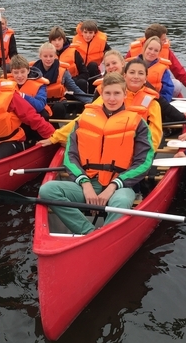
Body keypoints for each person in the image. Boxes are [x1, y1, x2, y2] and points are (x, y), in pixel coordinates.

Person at [38, 73, 155, 235]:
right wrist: (85, 185)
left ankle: (104, 237)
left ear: (125, 94)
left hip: (121, 184)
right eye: (107, 93)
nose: (112, 99)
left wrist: (113, 186)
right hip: (89, 182)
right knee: (47, 191)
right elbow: (70, 157)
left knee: (120, 202)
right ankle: (90, 233)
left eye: (117, 93)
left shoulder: (138, 123)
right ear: (101, 94)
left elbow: (144, 162)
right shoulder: (84, 119)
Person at [44, 56, 163, 151]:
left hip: (133, 149)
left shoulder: (152, 104)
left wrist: (144, 154)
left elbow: (155, 133)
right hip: (105, 145)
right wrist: (56, 137)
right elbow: (84, 118)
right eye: (132, 72)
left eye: (141, 73)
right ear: (125, 76)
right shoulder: (112, 96)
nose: (136, 77)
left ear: (146, 78)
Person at [127, 23, 186, 96]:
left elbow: (180, 73)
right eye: (163, 39)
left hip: (158, 92)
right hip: (135, 91)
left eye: (156, 50)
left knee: (176, 85)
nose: (166, 41)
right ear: (155, 39)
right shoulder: (133, 51)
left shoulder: (167, 52)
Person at [32, 42, 91, 118]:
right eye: (45, 56)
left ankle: (56, 126)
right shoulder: (33, 73)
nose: (48, 59)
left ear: (55, 56)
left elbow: (74, 89)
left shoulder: (63, 71)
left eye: (51, 56)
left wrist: (90, 100)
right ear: (40, 56)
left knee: (58, 107)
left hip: (58, 103)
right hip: (41, 103)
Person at [48, 26, 89, 92]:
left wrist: (71, 81)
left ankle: (82, 100)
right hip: (54, 85)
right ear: (50, 42)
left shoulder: (74, 52)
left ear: (63, 40)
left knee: (82, 82)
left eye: (59, 39)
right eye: (54, 40)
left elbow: (85, 74)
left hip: (72, 85)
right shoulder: (47, 54)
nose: (57, 43)